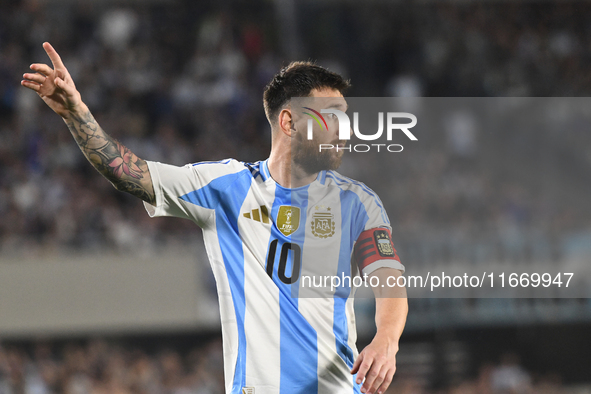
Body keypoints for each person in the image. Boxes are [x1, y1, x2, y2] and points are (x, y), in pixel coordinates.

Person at [21, 42, 408, 394]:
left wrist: (385, 341)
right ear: (289, 122)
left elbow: (390, 281)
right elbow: (128, 172)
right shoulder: (226, 188)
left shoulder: (358, 203)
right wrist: (76, 112)